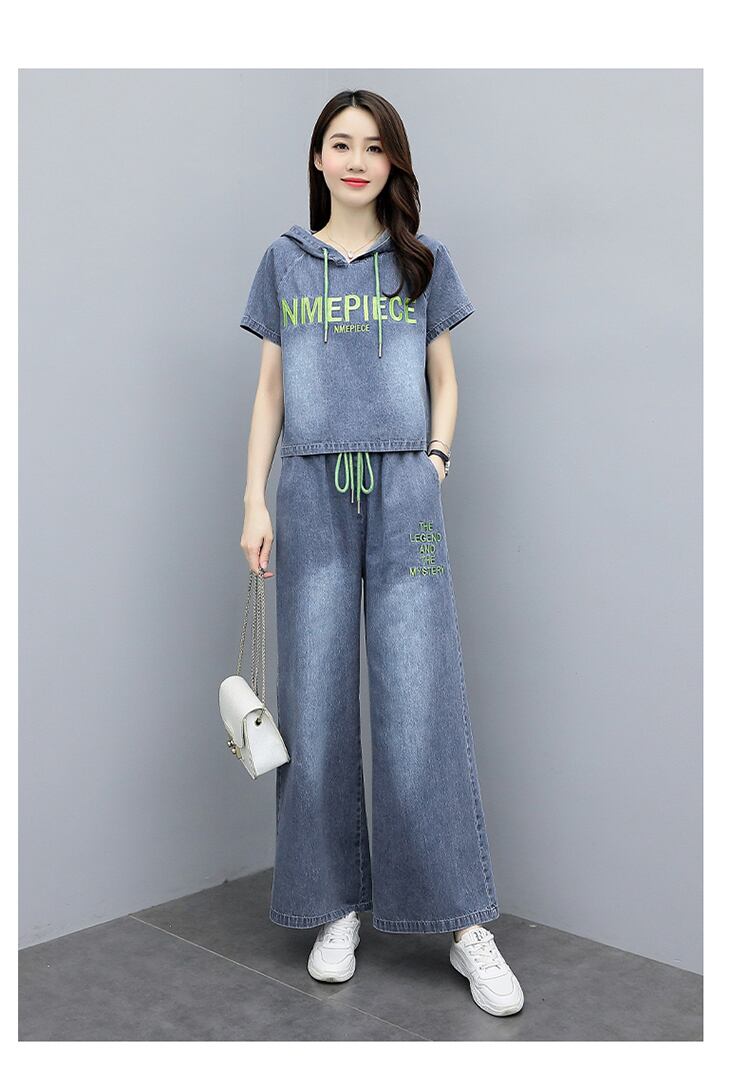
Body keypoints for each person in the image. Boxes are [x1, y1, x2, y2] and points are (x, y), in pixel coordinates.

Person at [238, 88, 524, 1018]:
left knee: (420, 699)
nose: (356, 159)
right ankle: (334, 909)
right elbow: (271, 390)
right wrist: (254, 499)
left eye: (373, 146)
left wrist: (434, 460)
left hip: (406, 494)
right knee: (316, 704)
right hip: (310, 491)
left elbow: (446, 377)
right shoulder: (285, 261)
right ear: (317, 158)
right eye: (340, 143)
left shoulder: (422, 261)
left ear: (392, 161)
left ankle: (463, 922)